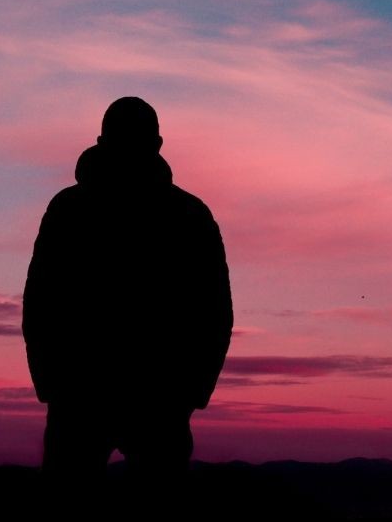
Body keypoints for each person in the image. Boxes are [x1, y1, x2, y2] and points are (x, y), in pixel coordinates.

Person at [21, 97, 233, 486]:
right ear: (158, 144)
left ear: (102, 140)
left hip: (129, 396)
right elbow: (41, 301)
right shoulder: (188, 215)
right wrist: (192, 390)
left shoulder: (70, 209)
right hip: (110, 394)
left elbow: (214, 311)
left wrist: (192, 391)